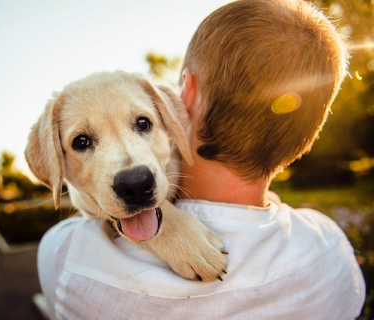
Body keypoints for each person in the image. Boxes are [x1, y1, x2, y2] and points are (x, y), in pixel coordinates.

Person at [37, 0, 366, 319]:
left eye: (142, 124)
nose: (131, 170)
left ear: (185, 96)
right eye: (82, 141)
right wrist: (167, 224)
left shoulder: (68, 259)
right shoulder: (331, 248)